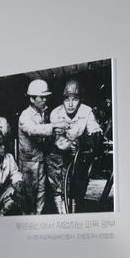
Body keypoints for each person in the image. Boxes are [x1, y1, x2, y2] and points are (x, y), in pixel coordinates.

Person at [48, 79, 103, 213]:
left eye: (75, 99)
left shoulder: (87, 111)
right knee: (59, 190)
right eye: (67, 99)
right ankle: (62, 213)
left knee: (76, 191)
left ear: (80, 99)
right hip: (58, 159)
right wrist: (69, 145)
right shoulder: (55, 113)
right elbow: (58, 142)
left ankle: (72, 214)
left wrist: (82, 141)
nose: (71, 104)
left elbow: (96, 135)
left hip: (78, 160)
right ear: (62, 99)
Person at [18, 79, 70, 214]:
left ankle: (38, 217)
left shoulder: (43, 112)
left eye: (46, 97)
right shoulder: (25, 116)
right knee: (29, 194)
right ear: (32, 99)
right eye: (42, 97)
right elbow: (33, 130)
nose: (45, 100)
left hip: (41, 159)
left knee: (41, 193)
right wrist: (54, 126)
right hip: (29, 163)